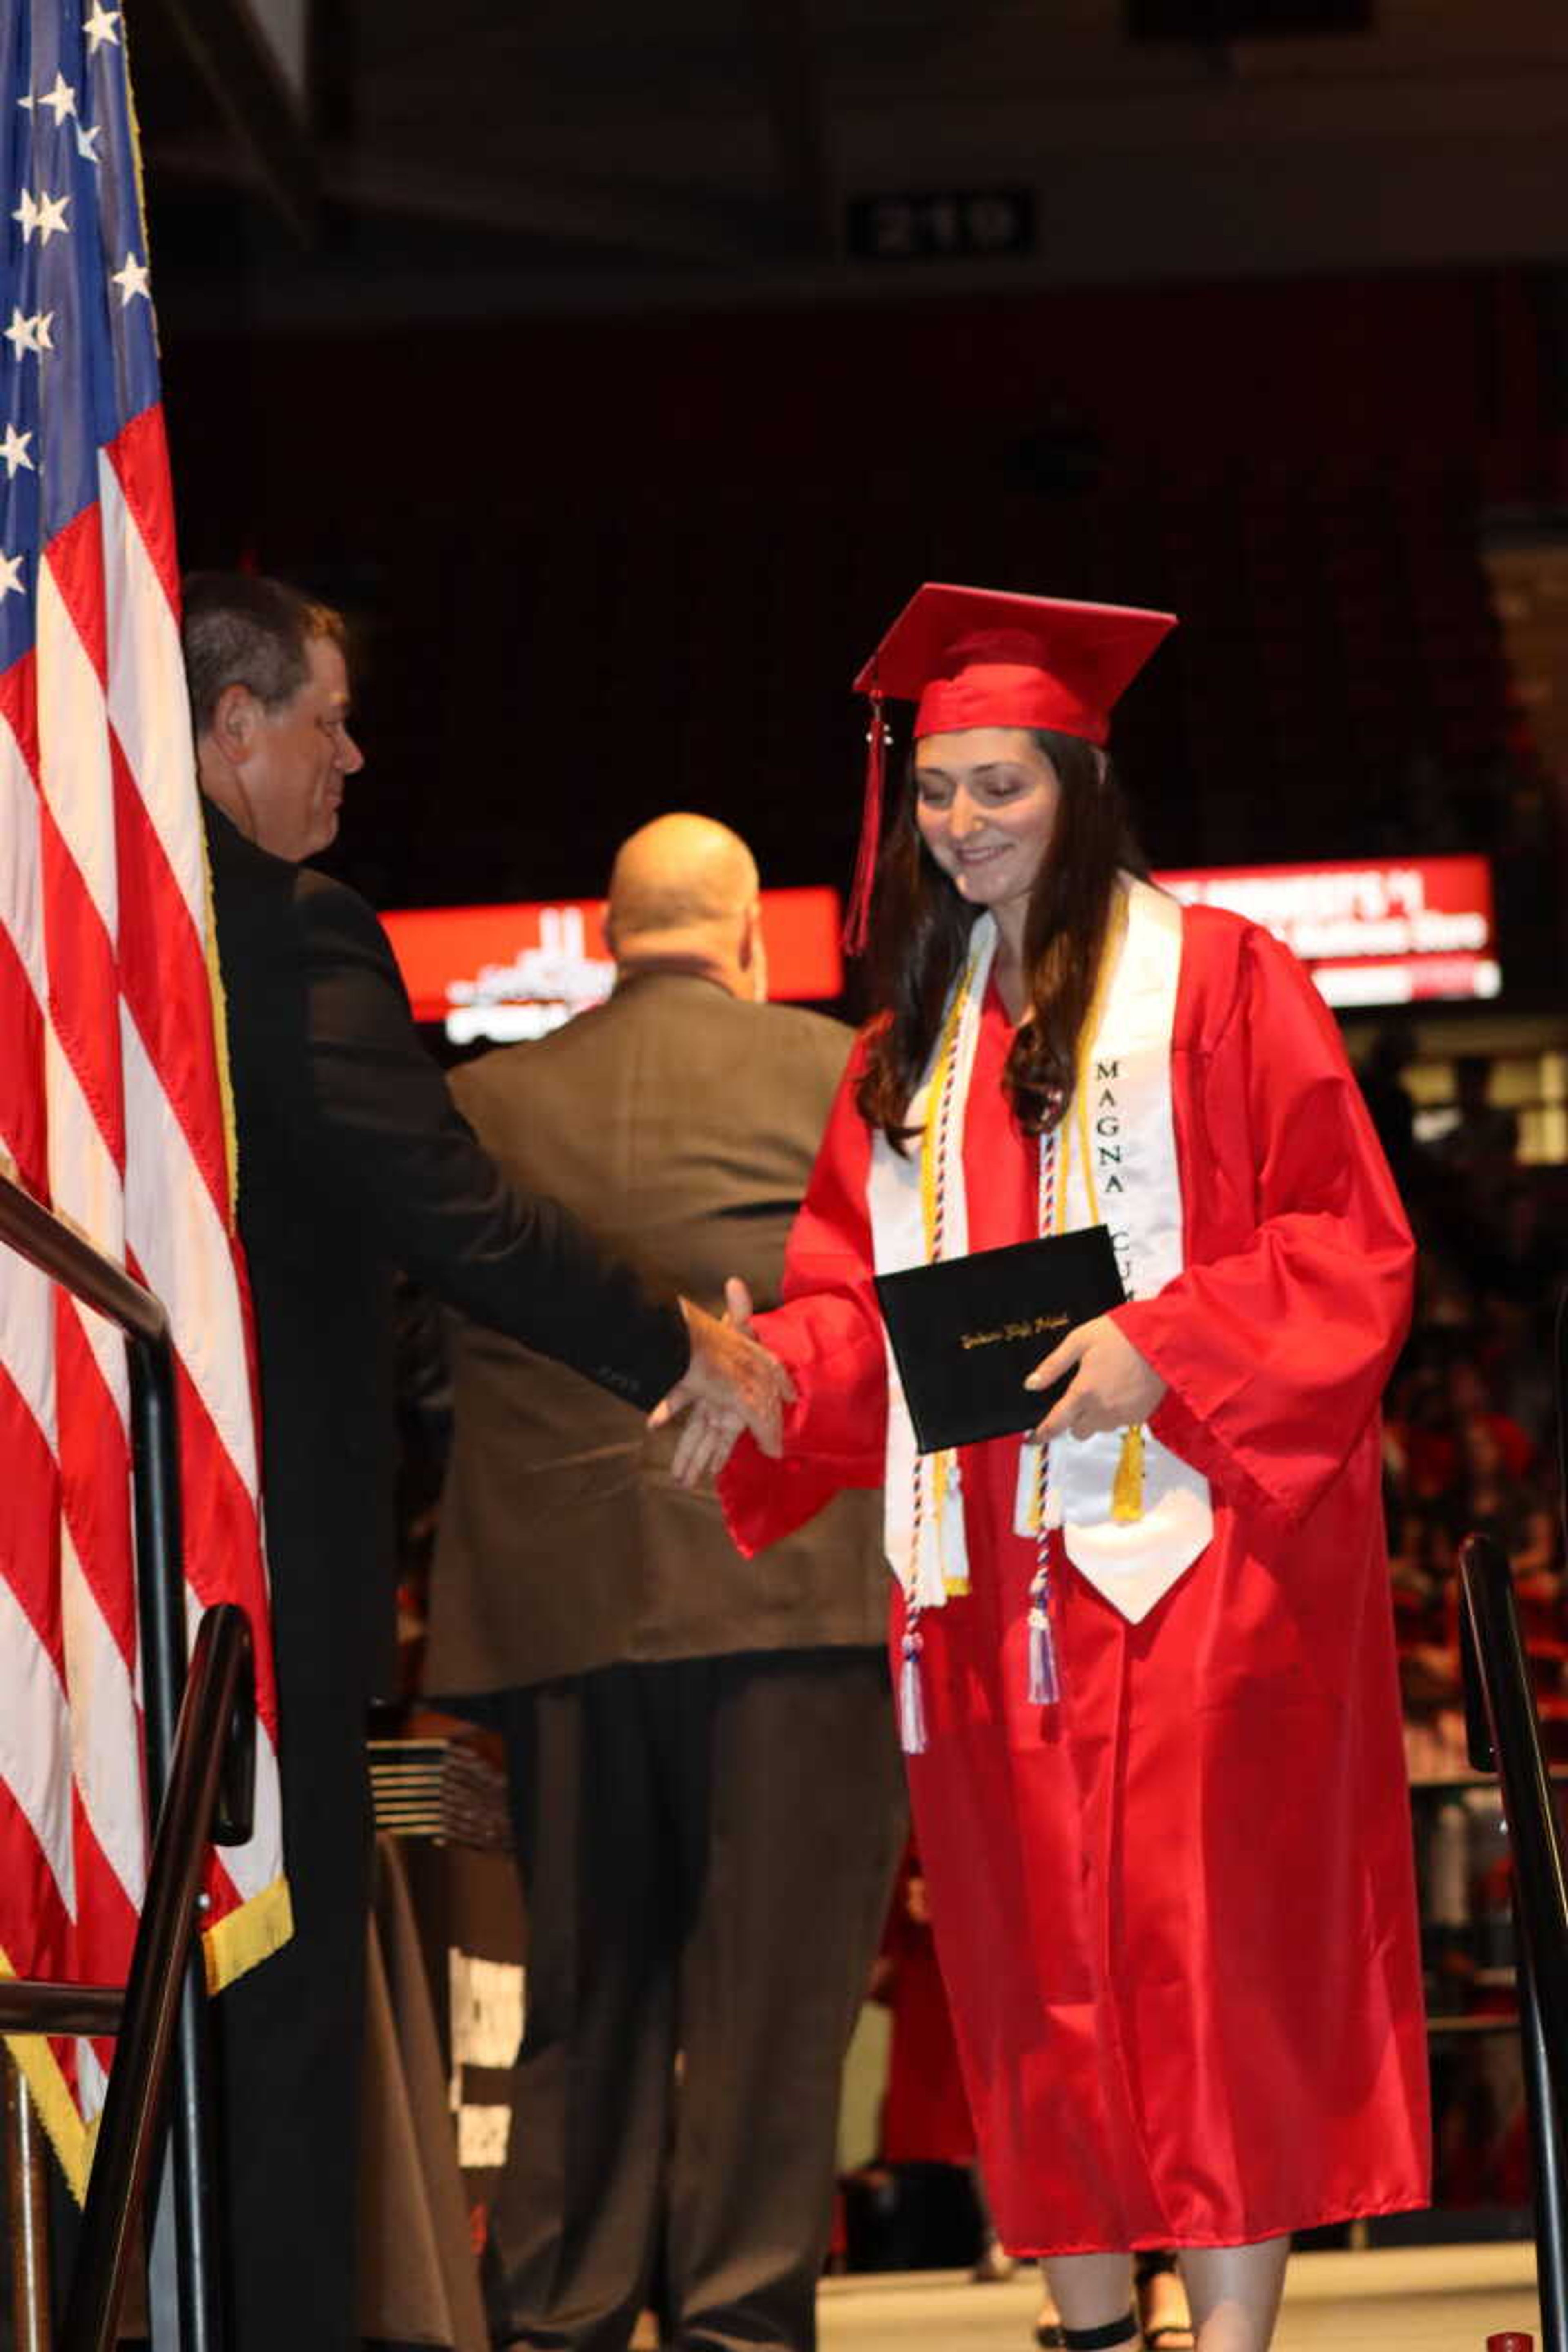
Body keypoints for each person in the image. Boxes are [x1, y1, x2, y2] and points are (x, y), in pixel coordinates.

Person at [689, 586, 1430, 2352]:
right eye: (940, 792)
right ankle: (1097, 2327)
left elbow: (1350, 1245)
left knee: (1202, 1958)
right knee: (1039, 1975)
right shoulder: (903, 1056)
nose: (961, 826)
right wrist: (765, 1374)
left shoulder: (1230, 982)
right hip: (982, 1593)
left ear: (1081, 783)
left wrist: (1165, 1344)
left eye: (999, 786)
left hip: (1193, 1558)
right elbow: (855, 1310)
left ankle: (1231, 2340)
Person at [183, 575, 788, 2352]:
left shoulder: (74, 934)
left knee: (135, 1991)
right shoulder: (288, 929)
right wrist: (680, 1342)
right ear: (230, 728)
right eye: (326, 721)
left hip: (85, 1572)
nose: (353, 757)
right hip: (255, 1558)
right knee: (274, 1996)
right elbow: (449, 1212)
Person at [423, 813, 905, 2352]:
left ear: (609, 933)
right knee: (775, 2010)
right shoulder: (844, 1072)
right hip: (799, 1597)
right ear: (750, 936)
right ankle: (739, 2326)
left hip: (562, 1608)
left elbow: (429, 1367)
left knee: (584, 1989)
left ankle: (559, 2315)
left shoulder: (482, 1101)